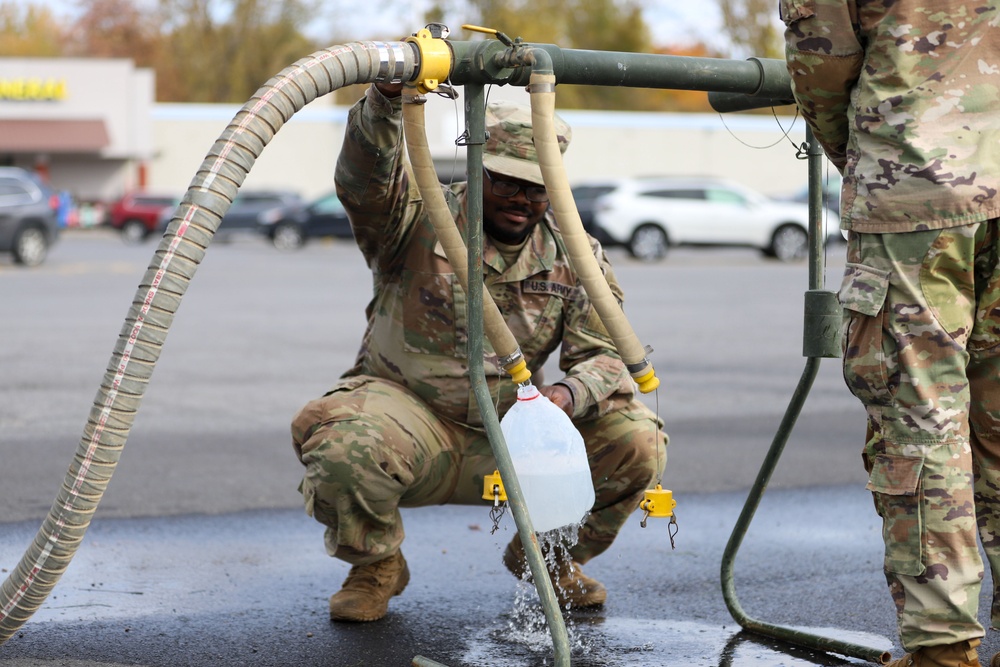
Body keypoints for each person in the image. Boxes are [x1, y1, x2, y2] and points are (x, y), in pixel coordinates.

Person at [290, 82, 668, 623]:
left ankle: (549, 557)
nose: (524, 200)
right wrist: (384, 103)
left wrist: (567, 394)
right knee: (341, 441)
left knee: (637, 440)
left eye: (538, 188)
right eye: (507, 182)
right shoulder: (418, 218)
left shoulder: (575, 253)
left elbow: (609, 354)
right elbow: (365, 181)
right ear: (478, 170)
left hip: (513, 430)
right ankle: (376, 565)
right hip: (411, 421)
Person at [782, 2, 1000, 666]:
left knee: (921, 418)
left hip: (917, 183)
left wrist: (875, 160)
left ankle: (942, 648)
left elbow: (822, 63)